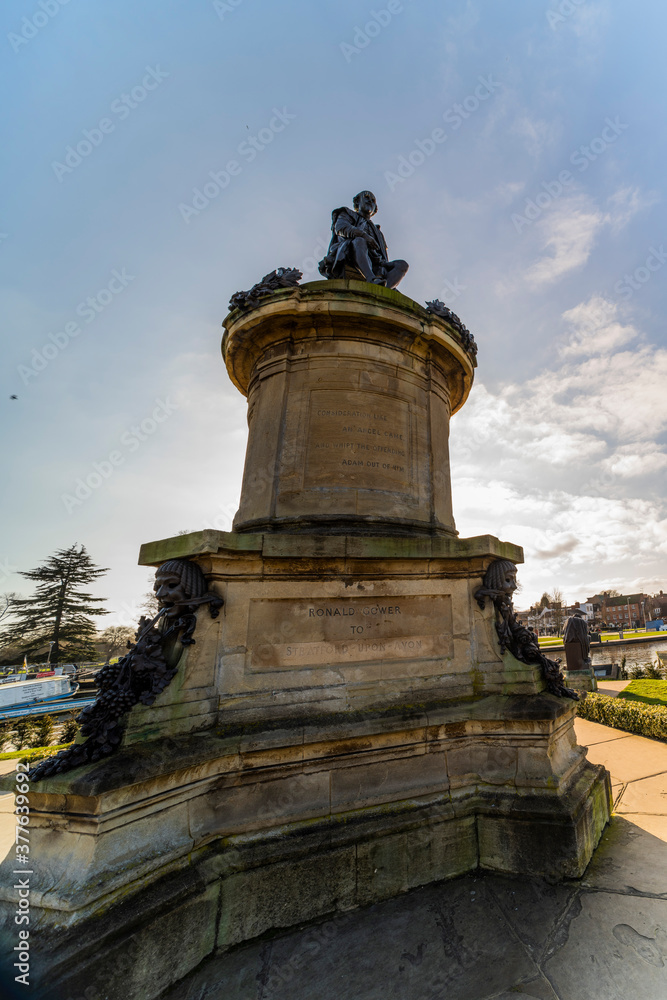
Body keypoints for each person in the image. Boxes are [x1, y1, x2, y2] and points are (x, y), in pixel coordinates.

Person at [318, 190, 409, 288]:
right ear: (357, 202)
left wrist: (384, 264)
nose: (370, 201)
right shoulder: (347, 213)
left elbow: (383, 255)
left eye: (373, 200)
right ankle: (371, 279)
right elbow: (341, 228)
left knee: (402, 264)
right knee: (360, 241)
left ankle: (384, 290)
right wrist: (365, 236)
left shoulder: (377, 232)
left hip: (376, 262)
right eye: (366, 197)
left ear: (375, 209)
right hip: (350, 252)